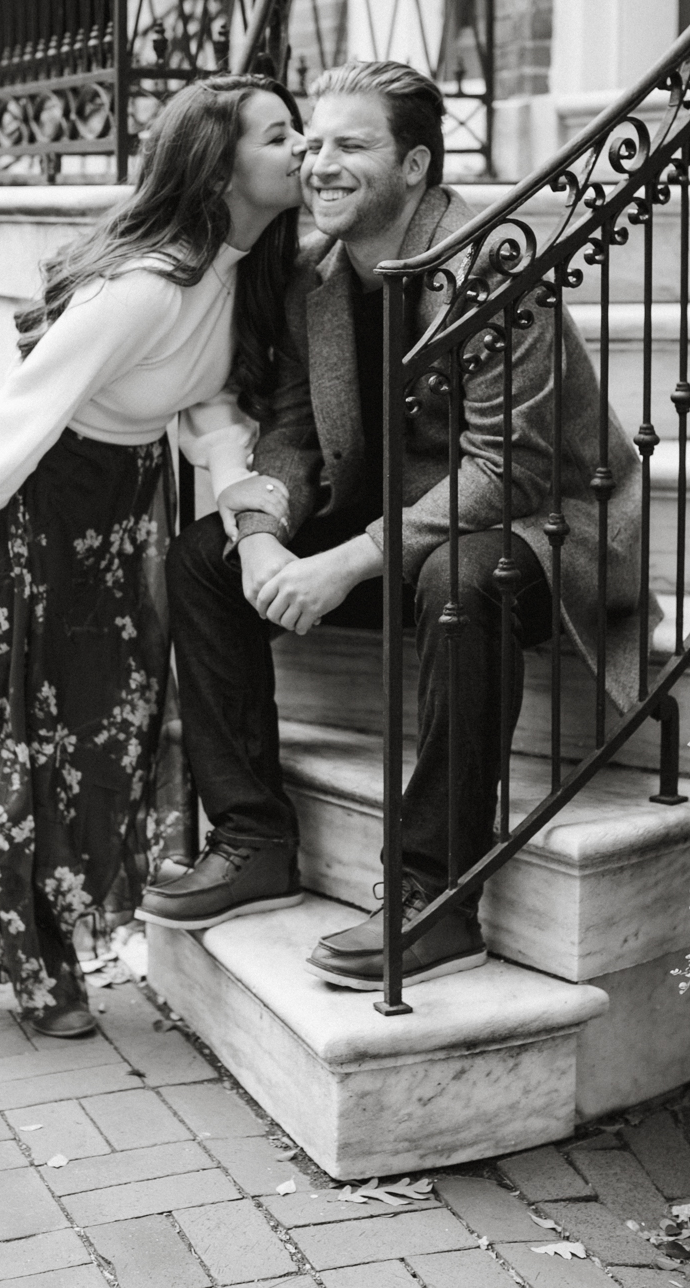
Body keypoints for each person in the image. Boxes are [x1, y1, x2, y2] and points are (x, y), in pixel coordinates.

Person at [140, 60, 645, 989]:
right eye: (314, 143)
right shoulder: (315, 275)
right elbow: (291, 429)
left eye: (352, 145)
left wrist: (347, 562)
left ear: (414, 167)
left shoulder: (494, 263)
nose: (321, 164)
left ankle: (434, 893)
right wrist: (261, 527)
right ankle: (253, 839)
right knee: (202, 559)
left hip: (542, 529)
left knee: (462, 582)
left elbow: (510, 472)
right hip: (394, 533)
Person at [0, 75, 305, 1034]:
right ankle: (41, 968)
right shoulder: (146, 285)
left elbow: (209, 406)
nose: (303, 149)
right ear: (221, 168)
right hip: (29, 511)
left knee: (112, 730)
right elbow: (34, 396)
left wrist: (239, 500)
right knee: (22, 738)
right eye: (280, 136)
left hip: (118, 512)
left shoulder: (243, 271)